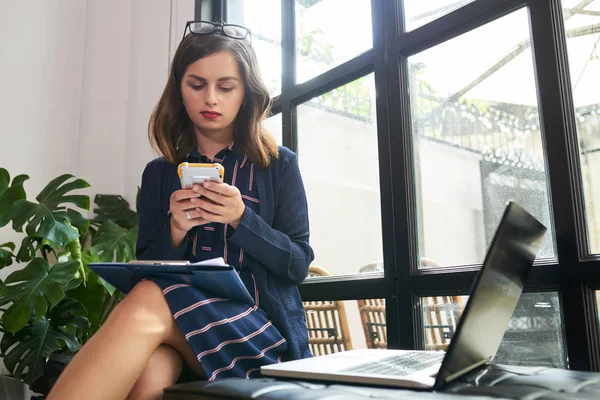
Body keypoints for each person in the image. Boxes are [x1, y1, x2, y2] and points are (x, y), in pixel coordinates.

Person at [48, 20, 314, 400]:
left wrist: (242, 219)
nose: (211, 99)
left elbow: (298, 263)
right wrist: (175, 229)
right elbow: (147, 267)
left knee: (149, 302)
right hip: (178, 327)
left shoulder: (278, 165)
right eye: (197, 85)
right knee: (151, 376)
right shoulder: (159, 174)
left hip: (258, 332)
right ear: (179, 91)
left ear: (245, 94)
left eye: (226, 87)